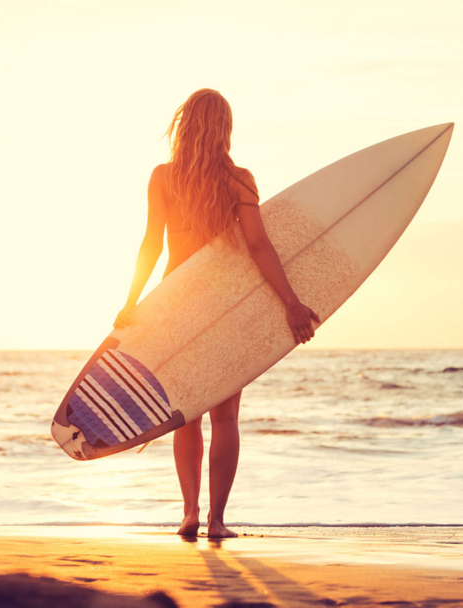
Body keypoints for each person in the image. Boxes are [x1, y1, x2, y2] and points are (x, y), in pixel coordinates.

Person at [112, 88, 320, 538]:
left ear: (183, 126)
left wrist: (132, 301)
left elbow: (152, 244)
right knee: (224, 417)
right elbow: (259, 246)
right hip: (225, 306)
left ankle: (188, 512)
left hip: (176, 302)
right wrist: (290, 303)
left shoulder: (163, 177)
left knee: (186, 411)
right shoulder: (239, 179)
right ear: (225, 129)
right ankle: (216, 520)